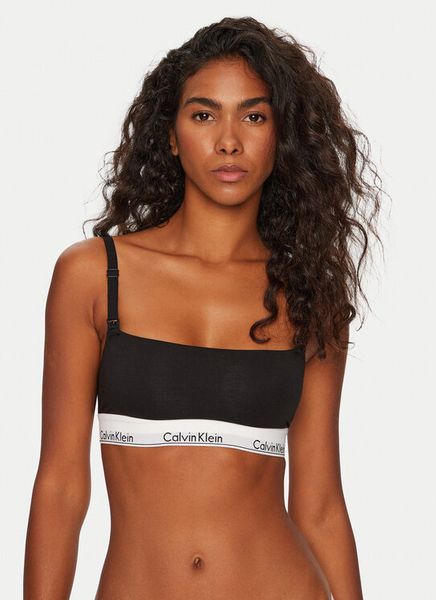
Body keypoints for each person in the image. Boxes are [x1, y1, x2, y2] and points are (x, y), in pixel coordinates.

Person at [23, 16, 384, 600]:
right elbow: (61, 487)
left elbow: (319, 506)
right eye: (203, 115)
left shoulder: (306, 294)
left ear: (281, 136)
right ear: (171, 135)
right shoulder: (94, 275)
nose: (229, 141)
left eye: (254, 116)